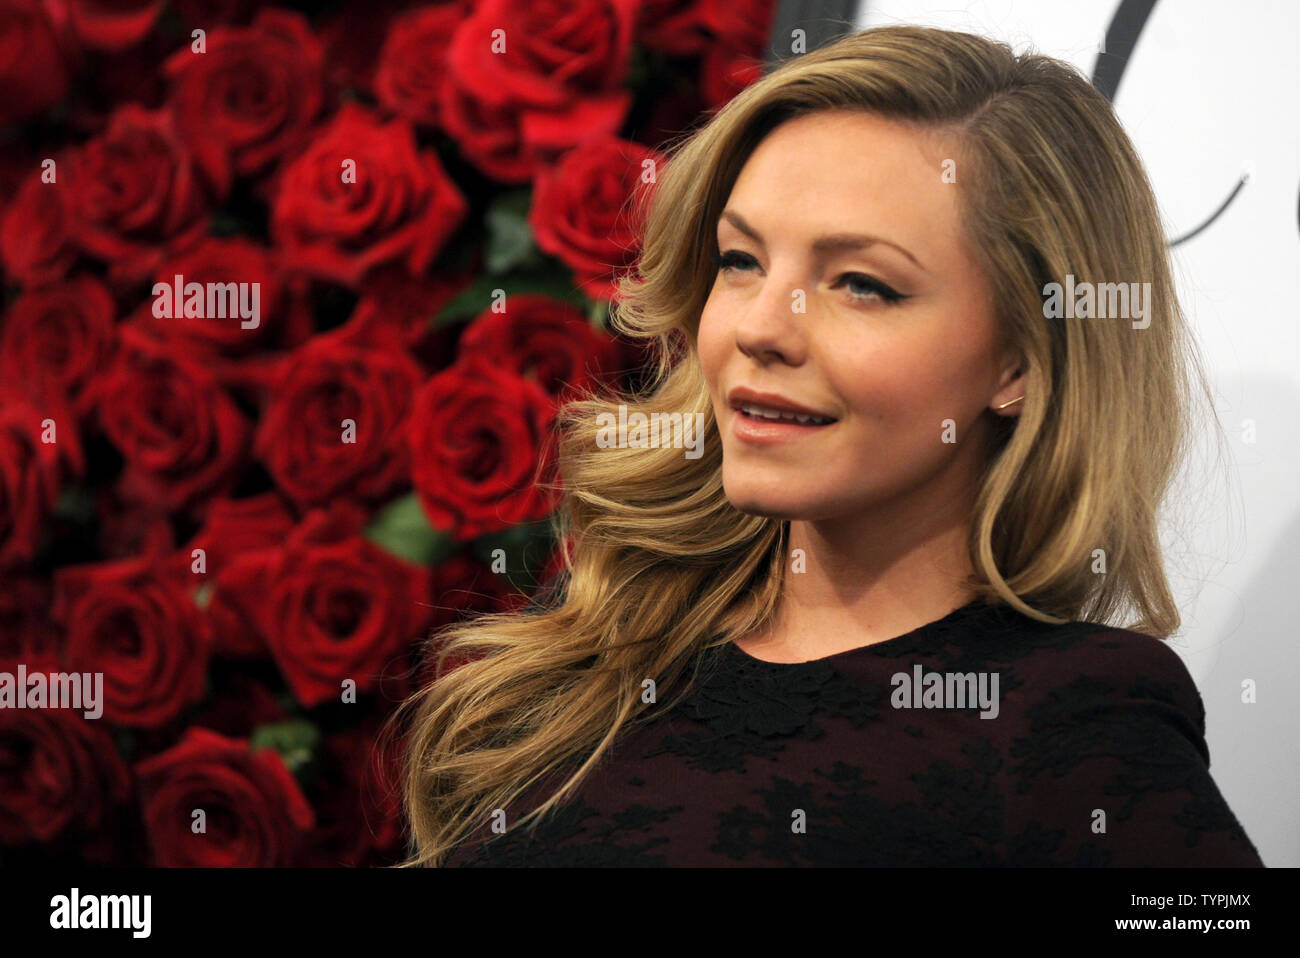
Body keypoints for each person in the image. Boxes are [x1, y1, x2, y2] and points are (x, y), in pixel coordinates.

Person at [386, 24, 1264, 867]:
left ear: (1022, 361)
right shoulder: (604, 634)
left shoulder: (1072, 720)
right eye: (742, 261)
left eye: (862, 285)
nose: (764, 328)